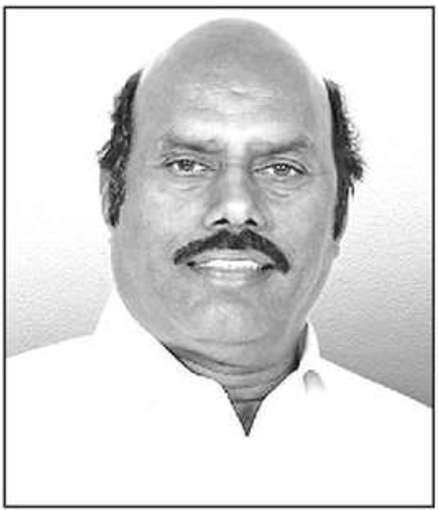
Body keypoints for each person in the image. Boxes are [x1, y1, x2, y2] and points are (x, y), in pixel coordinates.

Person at [7, 19, 431, 506]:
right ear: (111, 198)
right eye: (186, 164)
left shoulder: (418, 457)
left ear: (340, 213)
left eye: (282, 168)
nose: (236, 206)